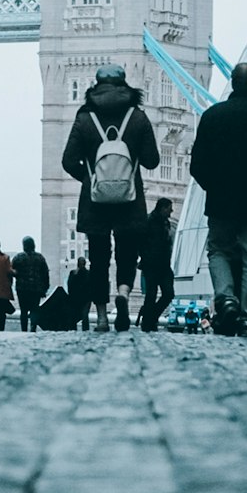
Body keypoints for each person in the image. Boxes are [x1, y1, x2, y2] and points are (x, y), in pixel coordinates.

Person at [62, 65, 159, 331]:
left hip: (95, 202)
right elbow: (152, 160)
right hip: (129, 199)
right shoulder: (138, 117)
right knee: (127, 253)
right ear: (124, 85)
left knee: (99, 258)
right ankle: (124, 294)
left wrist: (90, 177)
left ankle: (102, 316)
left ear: (96, 85)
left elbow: (68, 160)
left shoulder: (84, 118)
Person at [189, 61, 247, 336]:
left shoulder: (213, 116)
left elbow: (197, 165)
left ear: (232, 82)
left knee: (218, 251)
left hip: (221, 199)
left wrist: (213, 186)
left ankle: (226, 298)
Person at [138, 197, 175, 332]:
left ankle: (150, 316)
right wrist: (145, 257)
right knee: (151, 294)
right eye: (169, 209)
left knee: (168, 294)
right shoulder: (149, 221)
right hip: (151, 264)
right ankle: (148, 322)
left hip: (164, 265)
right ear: (163, 208)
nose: (171, 212)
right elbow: (140, 242)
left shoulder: (166, 223)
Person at [11, 235, 50, 332]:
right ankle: (33, 328)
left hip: (22, 288)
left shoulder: (18, 258)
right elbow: (45, 274)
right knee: (34, 310)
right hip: (36, 289)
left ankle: (23, 329)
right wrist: (45, 288)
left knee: (23, 311)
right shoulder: (40, 258)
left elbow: (11, 272)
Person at [67, 255, 93, 330]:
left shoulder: (73, 273)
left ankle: (74, 329)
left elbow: (70, 285)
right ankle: (84, 330)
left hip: (76, 298)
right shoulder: (88, 273)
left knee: (75, 316)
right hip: (84, 298)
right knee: (84, 316)